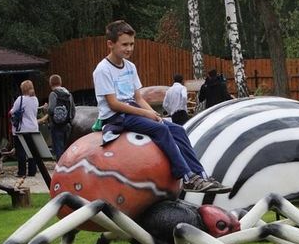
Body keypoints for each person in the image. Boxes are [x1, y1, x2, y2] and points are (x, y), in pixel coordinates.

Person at [92, 20, 230, 193]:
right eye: (124, 44)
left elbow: (138, 97)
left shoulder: (130, 67)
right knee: (161, 130)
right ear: (110, 44)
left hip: (134, 111)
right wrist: (146, 114)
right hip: (116, 116)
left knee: (177, 130)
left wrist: (154, 114)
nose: (129, 49)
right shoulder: (103, 70)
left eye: (132, 44)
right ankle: (186, 177)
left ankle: (200, 175)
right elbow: (113, 104)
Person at [9, 80, 40, 177]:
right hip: (33, 127)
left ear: (23, 89)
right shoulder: (35, 99)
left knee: (21, 151)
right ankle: (32, 171)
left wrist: (11, 111)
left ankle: (21, 172)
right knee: (32, 150)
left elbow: (13, 111)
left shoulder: (20, 99)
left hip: (22, 128)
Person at [44, 74, 76, 160]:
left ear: (50, 83)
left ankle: (60, 167)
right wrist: (70, 120)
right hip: (67, 125)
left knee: (58, 148)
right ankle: (67, 167)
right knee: (66, 147)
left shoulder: (53, 94)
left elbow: (51, 110)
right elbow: (73, 110)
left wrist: (46, 109)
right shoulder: (68, 94)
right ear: (60, 82)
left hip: (56, 125)